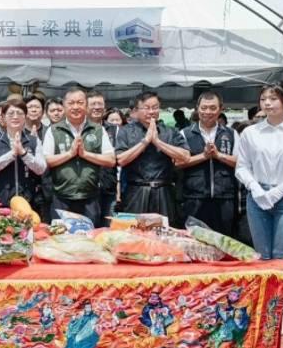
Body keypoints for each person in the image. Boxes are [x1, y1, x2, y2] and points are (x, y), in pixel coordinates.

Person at [43, 86, 115, 225]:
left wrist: (85, 154)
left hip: (90, 198)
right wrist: (70, 154)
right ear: (64, 106)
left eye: (80, 103)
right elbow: (47, 160)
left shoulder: (97, 130)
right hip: (61, 198)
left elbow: (111, 160)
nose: (75, 107)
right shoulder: (54, 130)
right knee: (61, 240)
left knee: (90, 241)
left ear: (86, 106)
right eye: (71, 103)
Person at [115, 92, 190, 224]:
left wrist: (158, 142)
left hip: (164, 191)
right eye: (146, 108)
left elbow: (185, 157)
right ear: (137, 111)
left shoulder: (170, 131)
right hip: (136, 191)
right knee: (135, 236)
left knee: (165, 235)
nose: (151, 111)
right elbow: (121, 160)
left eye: (155, 107)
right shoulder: (126, 131)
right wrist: (145, 141)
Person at [235, 84, 283, 260]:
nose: (267, 103)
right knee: (262, 255)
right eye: (263, 99)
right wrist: (255, 188)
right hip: (257, 197)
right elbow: (241, 166)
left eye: (273, 99)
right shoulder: (250, 132)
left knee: (282, 255)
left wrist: (280, 190)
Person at [177, 91, 239, 236]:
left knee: (224, 242)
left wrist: (218, 155)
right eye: (204, 108)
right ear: (197, 108)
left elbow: (240, 162)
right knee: (194, 243)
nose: (207, 112)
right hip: (194, 198)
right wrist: (204, 156)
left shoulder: (231, 134)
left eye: (212, 108)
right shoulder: (185, 133)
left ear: (220, 109)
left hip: (224, 198)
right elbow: (178, 163)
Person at [0, 100, 46, 211]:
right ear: (3, 117)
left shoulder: (34, 141)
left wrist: (24, 153)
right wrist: (11, 154)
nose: (15, 116)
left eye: (20, 113)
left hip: (29, 202)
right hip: (2, 202)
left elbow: (41, 168)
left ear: (25, 116)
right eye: (11, 113)